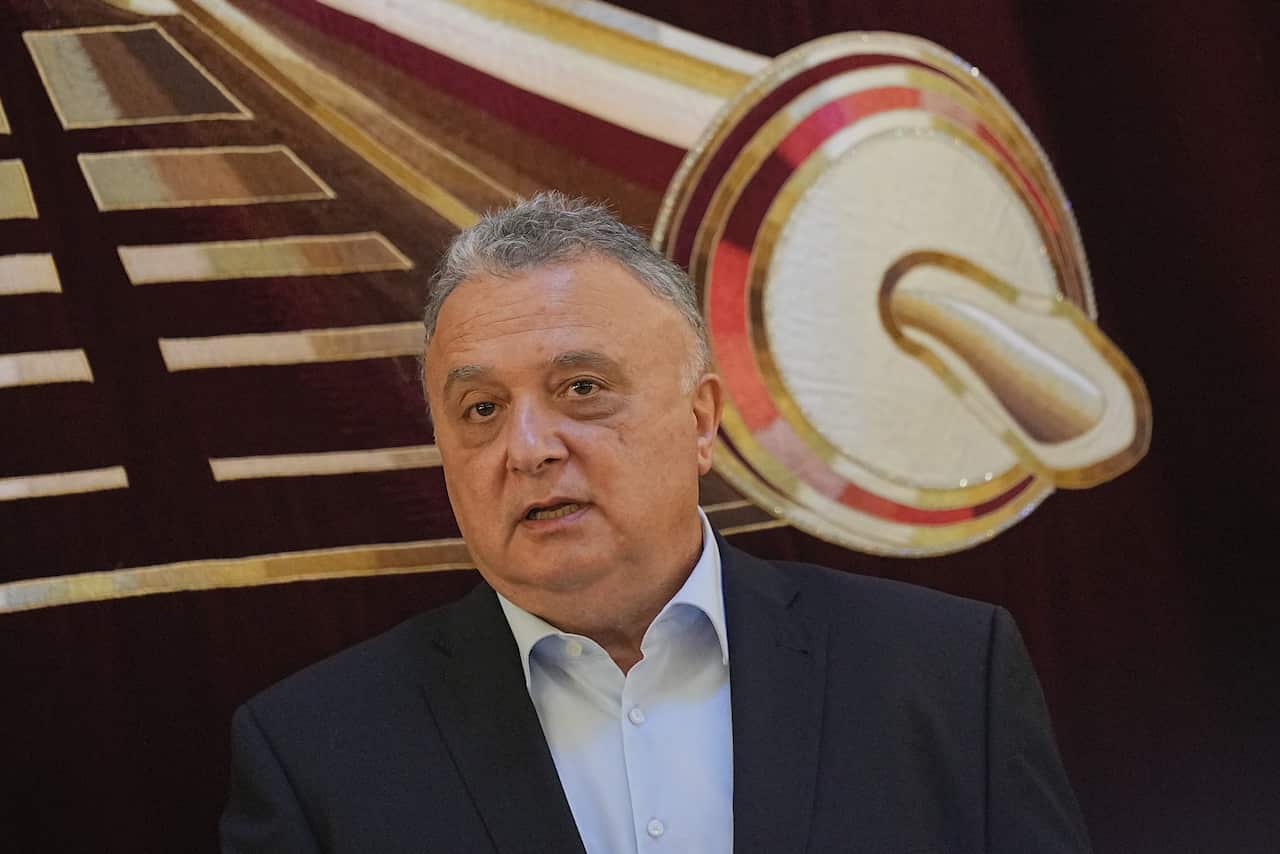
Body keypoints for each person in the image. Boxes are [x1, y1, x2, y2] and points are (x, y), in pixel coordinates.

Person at [220, 193, 1092, 853]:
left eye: (582, 390)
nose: (527, 448)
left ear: (702, 420)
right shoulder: (314, 754)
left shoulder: (942, 677)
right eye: (481, 408)